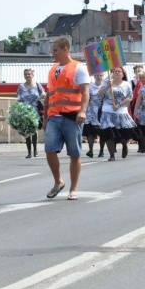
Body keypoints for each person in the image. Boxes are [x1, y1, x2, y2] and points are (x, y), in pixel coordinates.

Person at [43, 37, 90, 201]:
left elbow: (85, 92)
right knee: (49, 149)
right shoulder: (53, 69)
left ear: (65, 49)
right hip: (54, 116)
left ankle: (73, 189)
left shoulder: (78, 68)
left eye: (55, 50)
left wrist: (82, 111)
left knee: (74, 153)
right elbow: (49, 95)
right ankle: (58, 182)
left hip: (72, 116)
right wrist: (45, 117)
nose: (52, 53)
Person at [97, 67, 140, 161]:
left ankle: (124, 145)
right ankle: (112, 155)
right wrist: (107, 86)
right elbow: (99, 94)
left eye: (118, 71)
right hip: (107, 112)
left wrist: (119, 105)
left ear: (123, 74)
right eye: (114, 71)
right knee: (108, 134)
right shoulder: (107, 82)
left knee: (123, 136)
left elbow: (130, 97)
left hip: (121, 112)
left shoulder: (127, 84)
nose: (116, 72)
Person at [16, 68, 45, 158]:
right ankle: (29, 152)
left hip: (35, 111)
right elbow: (19, 98)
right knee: (27, 131)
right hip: (25, 111)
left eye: (29, 74)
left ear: (32, 75)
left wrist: (42, 98)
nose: (27, 76)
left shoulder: (37, 85)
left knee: (34, 130)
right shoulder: (21, 86)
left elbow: (43, 94)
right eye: (26, 74)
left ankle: (35, 149)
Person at [83, 73, 106, 158]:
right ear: (94, 76)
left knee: (101, 131)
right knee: (90, 132)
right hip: (91, 110)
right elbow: (86, 97)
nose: (99, 77)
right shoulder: (90, 86)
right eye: (97, 75)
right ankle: (91, 150)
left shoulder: (106, 85)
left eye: (100, 75)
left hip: (102, 110)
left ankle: (101, 150)